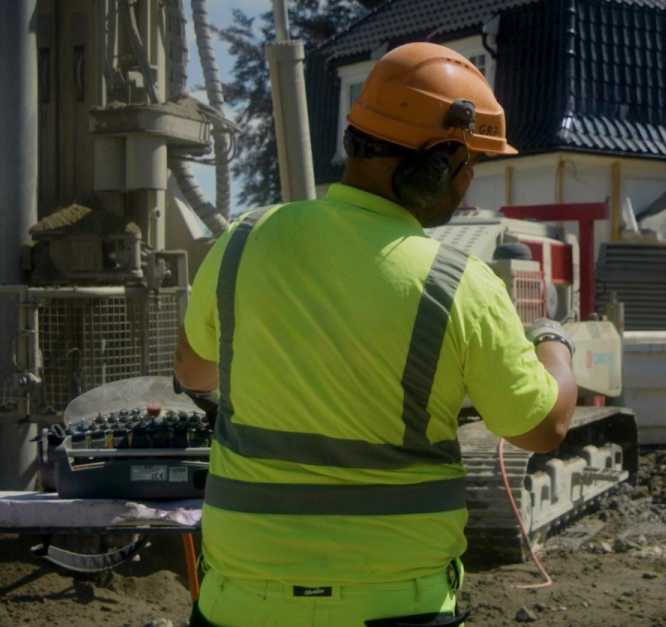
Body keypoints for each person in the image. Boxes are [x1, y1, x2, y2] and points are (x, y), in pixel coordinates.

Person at [172, 42, 578, 626]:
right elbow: (542, 428)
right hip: (396, 603)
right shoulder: (459, 283)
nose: (469, 182)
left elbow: (194, 371)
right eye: (468, 164)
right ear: (435, 163)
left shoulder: (243, 240)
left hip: (240, 601)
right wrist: (555, 346)